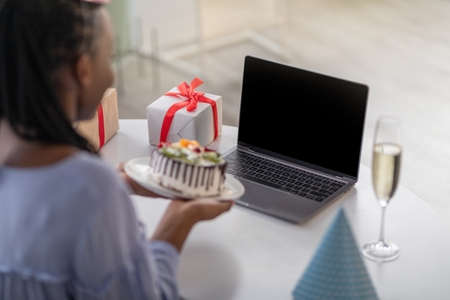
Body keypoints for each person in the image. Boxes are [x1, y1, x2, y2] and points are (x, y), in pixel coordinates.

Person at [0, 0, 233, 299]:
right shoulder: (91, 188)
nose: (111, 75)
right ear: (82, 69)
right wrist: (180, 218)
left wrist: (118, 184)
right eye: (108, 57)